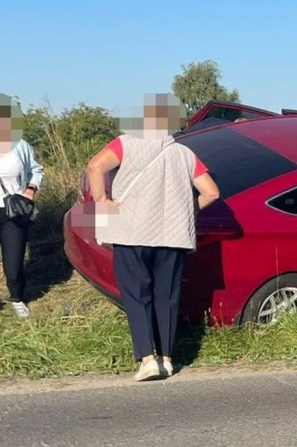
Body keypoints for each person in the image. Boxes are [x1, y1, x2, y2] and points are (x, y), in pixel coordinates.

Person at [86, 94, 220, 381]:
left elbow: (95, 167)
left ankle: (147, 359)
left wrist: (101, 199)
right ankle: (168, 358)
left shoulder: (125, 143)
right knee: (167, 296)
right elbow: (211, 192)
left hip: (132, 231)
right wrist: (187, 208)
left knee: (137, 295)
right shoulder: (185, 154)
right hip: (172, 235)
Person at [0, 95, 44, 319]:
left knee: (14, 262)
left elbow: (37, 169)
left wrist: (31, 189)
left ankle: (17, 298)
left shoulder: (21, 146)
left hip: (13, 212)